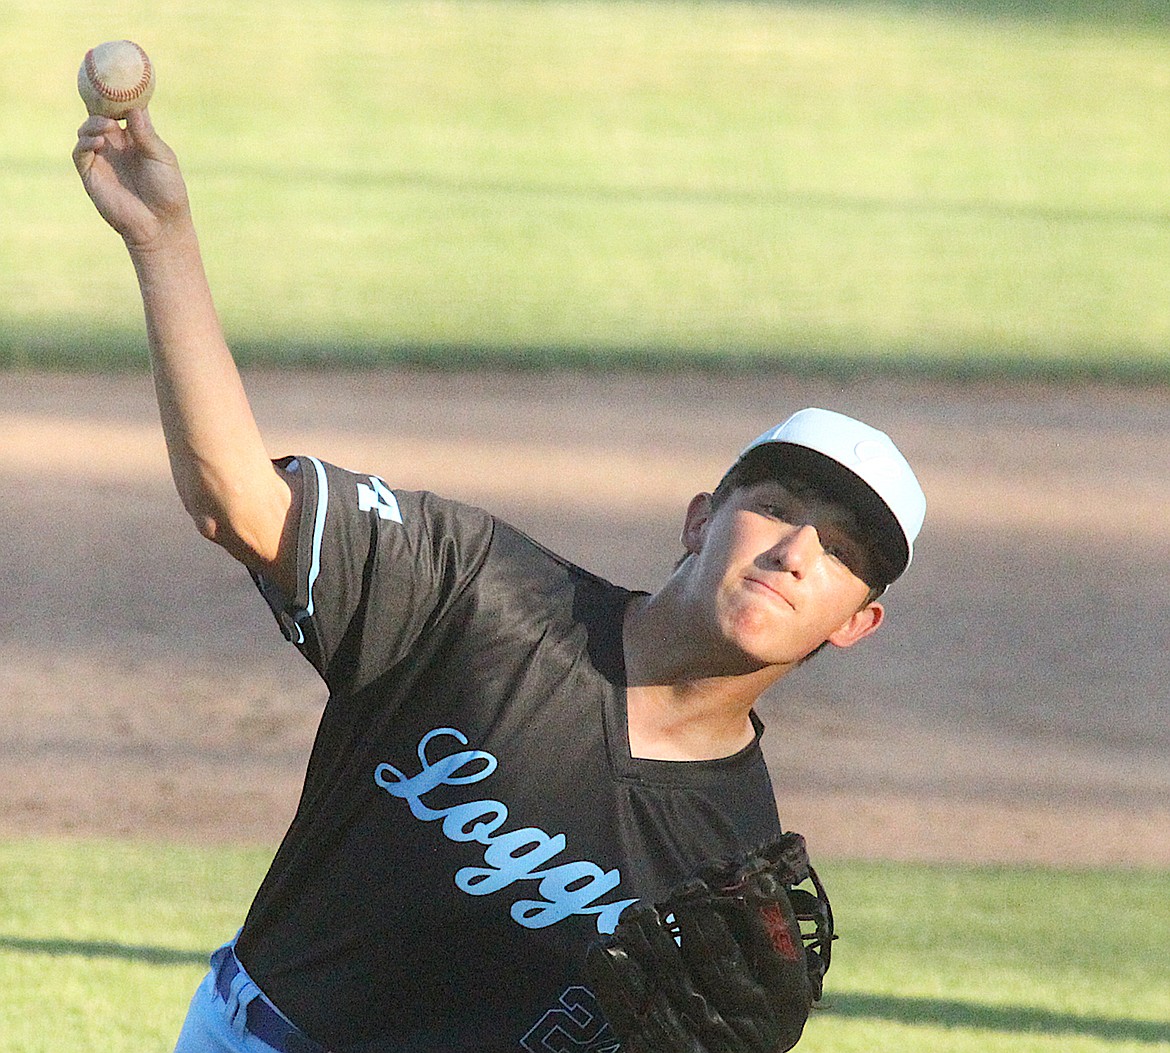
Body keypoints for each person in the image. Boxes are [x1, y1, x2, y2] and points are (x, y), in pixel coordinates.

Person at [73, 108, 926, 1053]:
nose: (798, 551)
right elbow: (236, 499)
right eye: (776, 507)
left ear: (859, 620)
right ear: (700, 519)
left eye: (845, 554)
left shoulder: (726, 868)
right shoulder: (477, 592)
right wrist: (163, 237)